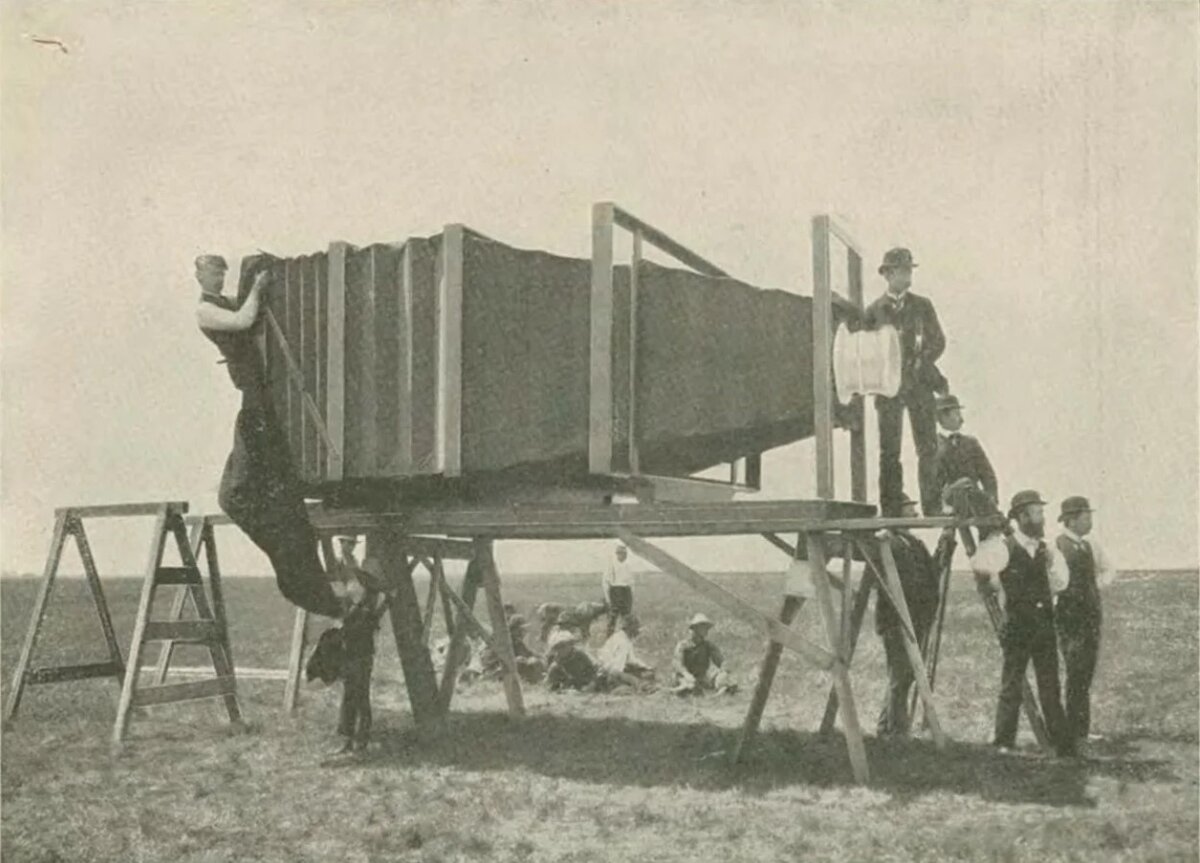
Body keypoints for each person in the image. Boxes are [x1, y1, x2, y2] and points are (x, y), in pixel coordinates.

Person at [194, 254, 342, 619]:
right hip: (253, 390)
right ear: (198, 275)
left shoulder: (224, 302)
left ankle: (305, 577)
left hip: (258, 391)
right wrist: (258, 289)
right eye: (213, 272)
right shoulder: (205, 310)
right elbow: (243, 320)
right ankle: (302, 575)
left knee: (260, 484)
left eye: (221, 272)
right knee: (248, 486)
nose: (218, 277)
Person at [975, 490, 1076, 757]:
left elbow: (1060, 583)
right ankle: (1004, 742)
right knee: (1011, 685)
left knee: (1050, 687)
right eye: (1037, 512)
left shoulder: (1047, 549)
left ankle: (1062, 744)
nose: (1042, 518)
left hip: (1043, 625)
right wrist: (995, 584)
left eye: (1041, 512)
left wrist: (1049, 575)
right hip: (1018, 626)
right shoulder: (1004, 546)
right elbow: (981, 566)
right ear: (1022, 516)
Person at [862, 248, 948, 517]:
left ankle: (932, 506)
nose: (907, 274)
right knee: (889, 450)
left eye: (909, 269)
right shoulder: (874, 311)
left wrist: (921, 361)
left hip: (920, 385)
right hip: (888, 390)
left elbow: (938, 341)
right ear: (887, 274)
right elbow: (866, 350)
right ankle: (890, 508)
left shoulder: (923, 306)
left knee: (928, 448)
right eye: (901, 269)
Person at [874, 495, 941, 736]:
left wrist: (945, 547)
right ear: (896, 514)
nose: (915, 513)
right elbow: (906, 583)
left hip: (914, 619)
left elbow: (931, 572)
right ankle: (897, 733)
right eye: (909, 509)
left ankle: (886, 728)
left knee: (902, 676)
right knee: (900, 677)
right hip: (897, 621)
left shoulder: (912, 542)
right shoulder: (889, 544)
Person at [1054, 496, 1116, 747]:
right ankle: (1072, 731)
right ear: (1071, 520)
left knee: (1085, 673)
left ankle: (1081, 730)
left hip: (1090, 617)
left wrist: (1093, 588)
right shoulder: (1055, 546)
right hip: (1070, 619)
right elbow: (1053, 581)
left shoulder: (1091, 545)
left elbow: (1109, 569)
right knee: (1076, 671)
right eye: (1085, 516)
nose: (1090, 521)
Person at [671, 613, 736, 695]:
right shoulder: (683, 645)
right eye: (703, 627)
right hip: (683, 677)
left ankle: (721, 690)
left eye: (706, 627)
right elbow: (677, 665)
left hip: (701, 677)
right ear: (695, 628)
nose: (706, 630)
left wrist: (724, 670)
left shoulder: (708, 645)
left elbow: (720, 661)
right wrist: (687, 675)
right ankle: (682, 689)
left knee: (722, 677)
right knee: (689, 685)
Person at [480, 615, 546, 684]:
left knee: (531, 661)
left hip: (504, 669)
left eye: (524, 630)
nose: (523, 633)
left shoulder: (516, 640)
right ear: (514, 629)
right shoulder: (504, 639)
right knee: (520, 661)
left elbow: (528, 653)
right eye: (521, 630)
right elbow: (489, 660)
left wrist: (541, 657)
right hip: (494, 670)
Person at [597, 614, 656, 685]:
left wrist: (646, 667)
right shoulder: (622, 642)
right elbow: (617, 667)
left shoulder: (624, 638)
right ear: (629, 627)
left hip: (610, 670)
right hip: (608, 673)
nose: (638, 631)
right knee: (637, 681)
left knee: (646, 675)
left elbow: (632, 659)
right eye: (636, 628)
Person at [602, 543, 636, 638]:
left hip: (626, 592)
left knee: (627, 618)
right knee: (612, 618)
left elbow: (631, 583)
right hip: (615, 592)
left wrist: (631, 596)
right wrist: (608, 598)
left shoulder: (628, 565)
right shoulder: (611, 565)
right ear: (617, 554)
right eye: (621, 554)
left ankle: (627, 637)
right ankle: (609, 638)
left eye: (625, 554)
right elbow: (606, 582)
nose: (623, 556)